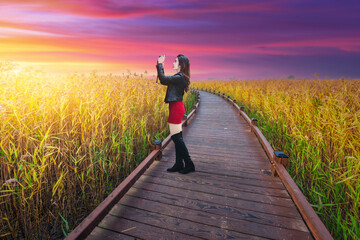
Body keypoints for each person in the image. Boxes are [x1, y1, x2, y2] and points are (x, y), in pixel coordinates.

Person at [156, 54, 195, 174]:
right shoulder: (179, 77)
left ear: (181, 65)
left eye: (175, 61)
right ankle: (179, 163)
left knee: (176, 137)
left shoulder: (179, 77)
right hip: (176, 106)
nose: (173, 63)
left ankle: (189, 163)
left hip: (176, 108)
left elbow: (163, 79)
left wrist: (160, 64)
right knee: (178, 137)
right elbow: (164, 81)